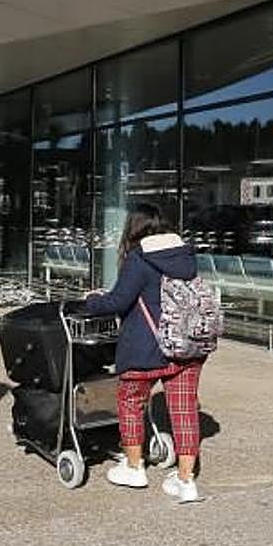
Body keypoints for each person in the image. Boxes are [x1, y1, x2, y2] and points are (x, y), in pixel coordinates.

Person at [83, 203, 205, 503]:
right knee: (185, 409)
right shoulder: (186, 256)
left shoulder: (140, 259)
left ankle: (134, 467)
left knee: (130, 401)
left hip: (145, 347)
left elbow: (118, 302)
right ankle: (186, 481)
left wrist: (93, 300)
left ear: (133, 228)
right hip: (186, 347)